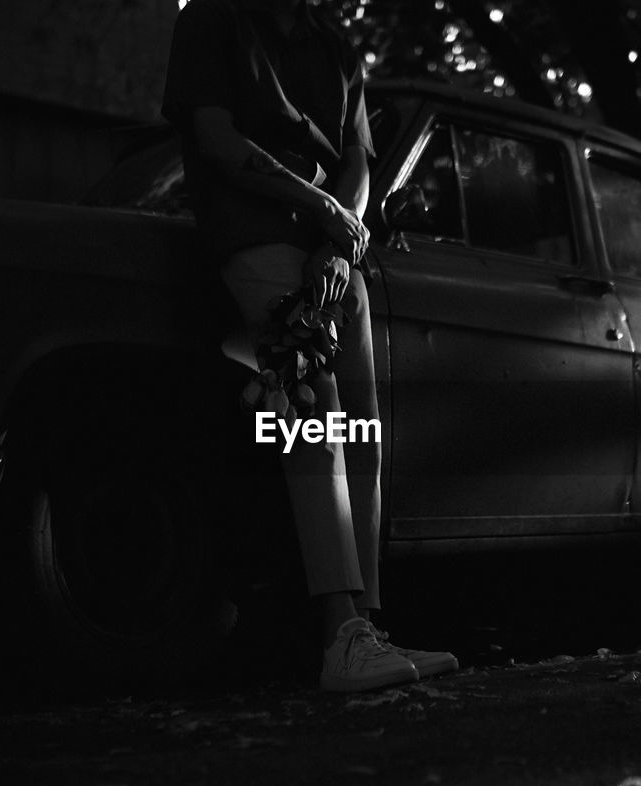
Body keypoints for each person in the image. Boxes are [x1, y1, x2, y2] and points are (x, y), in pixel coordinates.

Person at [161, 0, 457, 691]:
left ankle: (365, 630)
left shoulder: (337, 44)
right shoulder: (212, 19)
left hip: (332, 254)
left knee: (360, 428)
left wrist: (337, 237)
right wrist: (322, 210)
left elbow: (357, 159)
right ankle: (339, 635)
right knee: (311, 415)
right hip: (257, 236)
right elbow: (215, 138)